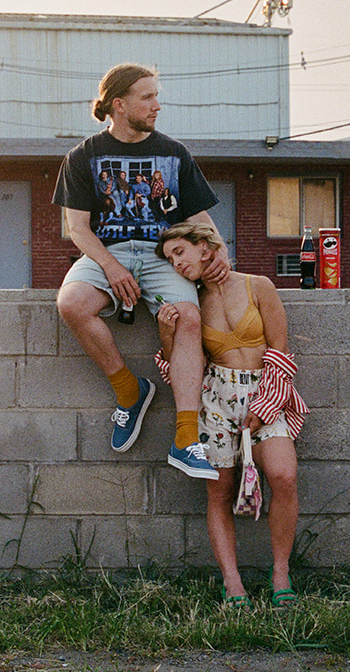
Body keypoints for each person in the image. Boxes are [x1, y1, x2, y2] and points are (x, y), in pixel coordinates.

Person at [52, 63, 230, 479]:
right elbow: (77, 228)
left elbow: (197, 213)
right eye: (147, 97)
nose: (157, 106)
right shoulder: (83, 156)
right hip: (106, 250)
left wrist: (217, 250)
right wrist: (111, 267)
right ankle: (130, 393)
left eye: (156, 96)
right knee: (73, 303)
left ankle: (186, 440)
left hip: (160, 254)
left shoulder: (174, 153)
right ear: (119, 104)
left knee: (188, 316)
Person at [155, 222, 306, 608]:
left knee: (284, 476)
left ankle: (280, 575)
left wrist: (264, 406)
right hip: (216, 401)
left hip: (264, 396)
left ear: (205, 247)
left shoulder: (259, 286)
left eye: (179, 253)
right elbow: (180, 369)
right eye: (170, 259)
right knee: (219, 492)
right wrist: (166, 332)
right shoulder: (189, 301)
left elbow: (281, 354)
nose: (175, 264)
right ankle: (233, 583)